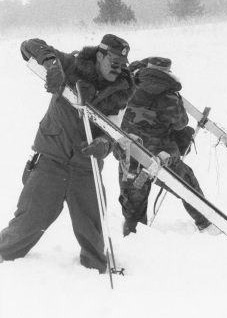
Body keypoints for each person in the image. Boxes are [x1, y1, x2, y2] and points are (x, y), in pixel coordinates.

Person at [0, 34, 135, 272]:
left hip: (86, 167)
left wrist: (104, 144)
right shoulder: (72, 66)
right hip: (51, 159)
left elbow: (114, 131)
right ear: (100, 55)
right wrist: (52, 65)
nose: (119, 69)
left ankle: (95, 276)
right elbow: (30, 45)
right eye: (114, 62)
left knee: (92, 229)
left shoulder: (121, 91)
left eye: (123, 64)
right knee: (29, 221)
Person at [116, 57, 220, 236]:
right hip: (163, 157)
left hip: (132, 157)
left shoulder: (129, 88)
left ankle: (133, 242)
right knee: (188, 187)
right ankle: (205, 223)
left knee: (133, 209)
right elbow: (181, 123)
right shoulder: (171, 97)